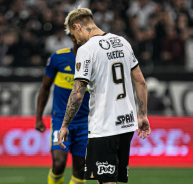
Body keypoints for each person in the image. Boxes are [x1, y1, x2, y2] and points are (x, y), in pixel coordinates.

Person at [58, 7, 150, 184]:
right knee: (110, 180)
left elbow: (77, 94)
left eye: (73, 34)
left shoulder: (87, 50)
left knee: (106, 181)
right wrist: (143, 115)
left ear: (77, 26)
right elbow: (140, 82)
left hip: (105, 125)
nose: (75, 40)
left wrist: (65, 124)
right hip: (127, 125)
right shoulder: (122, 42)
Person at [35, 34, 90, 184]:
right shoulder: (58, 58)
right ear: (73, 38)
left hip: (86, 123)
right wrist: (39, 118)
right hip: (61, 120)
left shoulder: (96, 62)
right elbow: (45, 88)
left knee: (80, 171)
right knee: (58, 164)